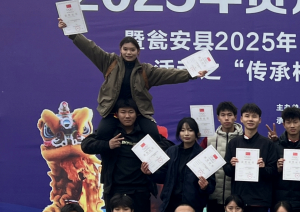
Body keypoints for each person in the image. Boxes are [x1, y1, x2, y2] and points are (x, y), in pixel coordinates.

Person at [58, 19, 206, 141]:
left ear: (138, 52)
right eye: (125, 49)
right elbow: (90, 48)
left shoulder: (146, 70)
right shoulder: (109, 62)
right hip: (112, 112)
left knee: (154, 135)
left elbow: (170, 74)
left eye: (132, 50)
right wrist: (71, 33)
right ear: (120, 50)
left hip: (139, 112)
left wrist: (192, 73)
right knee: (102, 135)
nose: (128, 52)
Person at [81, 98, 168, 212]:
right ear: (117, 114)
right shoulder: (109, 132)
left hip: (140, 189)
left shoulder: (144, 132)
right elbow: (86, 145)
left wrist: (150, 149)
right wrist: (107, 145)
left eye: (131, 112)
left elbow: (168, 146)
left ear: (137, 114)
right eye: (123, 112)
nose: (127, 116)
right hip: (115, 189)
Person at [144, 118, 215, 212]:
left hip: (193, 206)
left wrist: (205, 186)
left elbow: (211, 185)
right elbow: (162, 176)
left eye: (190, 130)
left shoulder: (203, 155)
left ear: (197, 133)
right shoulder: (171, 151)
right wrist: (150, 173)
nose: (186, 134)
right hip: (171, 204)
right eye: (182, 130)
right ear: (178, 133)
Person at [223, 103, 278, 212]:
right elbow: (227, 170)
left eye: (254, 116)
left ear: (260, 120)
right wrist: (232, 165)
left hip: (259, 201)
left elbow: (274, 172)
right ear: (241, 119)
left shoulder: (268, 144)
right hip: (238, 202)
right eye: (247, 116)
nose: (250, 119)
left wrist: (263, 168)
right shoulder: (234, 143)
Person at [204, 101, 244, 212]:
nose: (226, 118)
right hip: (214, 194)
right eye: (223, 115)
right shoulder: (209, 139)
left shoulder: (244, 138)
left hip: (237, 196)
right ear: (218, 118)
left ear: (235, 117)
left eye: (229, 115)